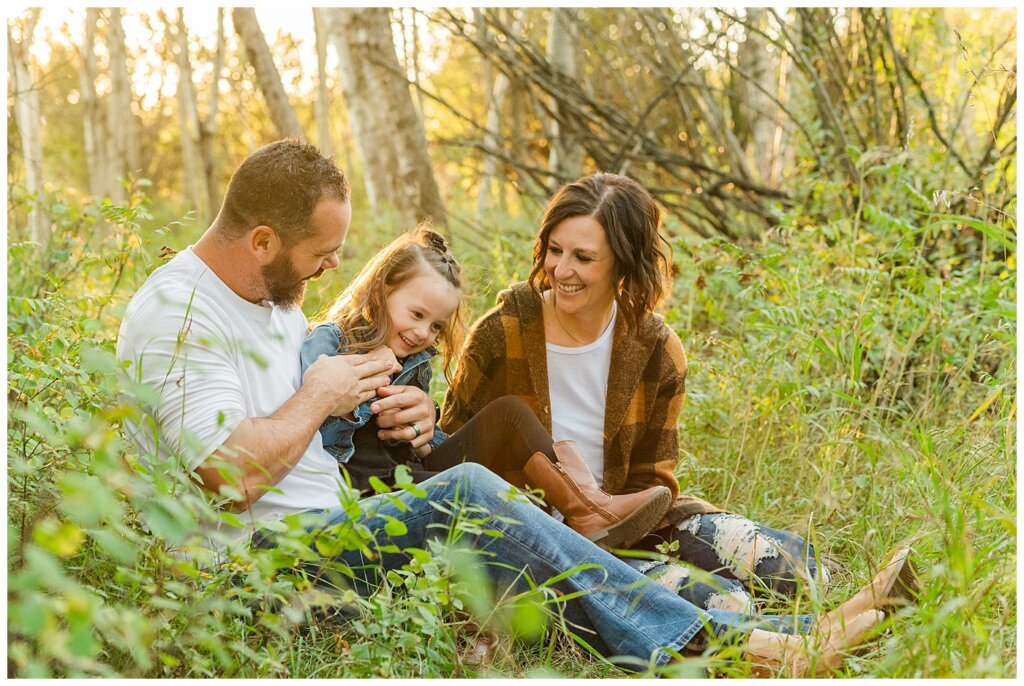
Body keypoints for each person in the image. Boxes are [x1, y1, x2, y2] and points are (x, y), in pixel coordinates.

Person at [116, 140, 895, 675]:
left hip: (334, 529)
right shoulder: (180, 314)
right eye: (322, 251)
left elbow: (315, 432)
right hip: (269, 566)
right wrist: (324, 391)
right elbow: (229, 477)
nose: (333, 267)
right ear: (259, 240)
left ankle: (786, 635)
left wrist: (407, 421)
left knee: (533, 540)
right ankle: (757, 652)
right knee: (475, 499)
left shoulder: (273, 296)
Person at [442, 173, 832, 613]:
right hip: (536, 537)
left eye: (583, 258)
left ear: (622, 263)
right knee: (727, 606)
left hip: (627, 527)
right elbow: (455, 443)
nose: (561, 270)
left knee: (790, 566)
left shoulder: (657, 349)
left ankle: (872, 609)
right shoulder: (502, 331)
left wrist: (644, 540)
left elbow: (653, 483)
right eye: (555, 250)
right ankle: (784, 645)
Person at [299, 226, 671, 550]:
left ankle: (586, 505)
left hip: (408, 473)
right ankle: (564, 542)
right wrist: (358, 397)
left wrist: (425, 434)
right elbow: (307, 425)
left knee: (508, 414)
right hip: (369, 491)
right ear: (381, 290)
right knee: (492, 496)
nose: (422, 334)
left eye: (436, 327)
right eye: (416, 315)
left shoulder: (413, 359)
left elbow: (417, 449)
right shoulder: (333, 342)